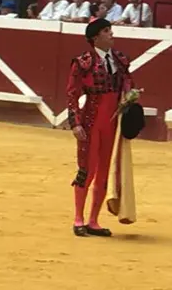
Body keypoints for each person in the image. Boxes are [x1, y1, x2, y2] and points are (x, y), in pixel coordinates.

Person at [67, 18, 135, 237]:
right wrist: (75, 123)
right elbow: (72, 95)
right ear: (96, 37)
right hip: (90, 120)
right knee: (87, 170)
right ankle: (78, 218)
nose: (112, 34)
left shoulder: (120, 60)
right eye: (107, 31)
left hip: (112, 122)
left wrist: (131, 96)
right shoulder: (83, 63)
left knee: (104, 171)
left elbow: (127, 84)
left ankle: (93, 220)